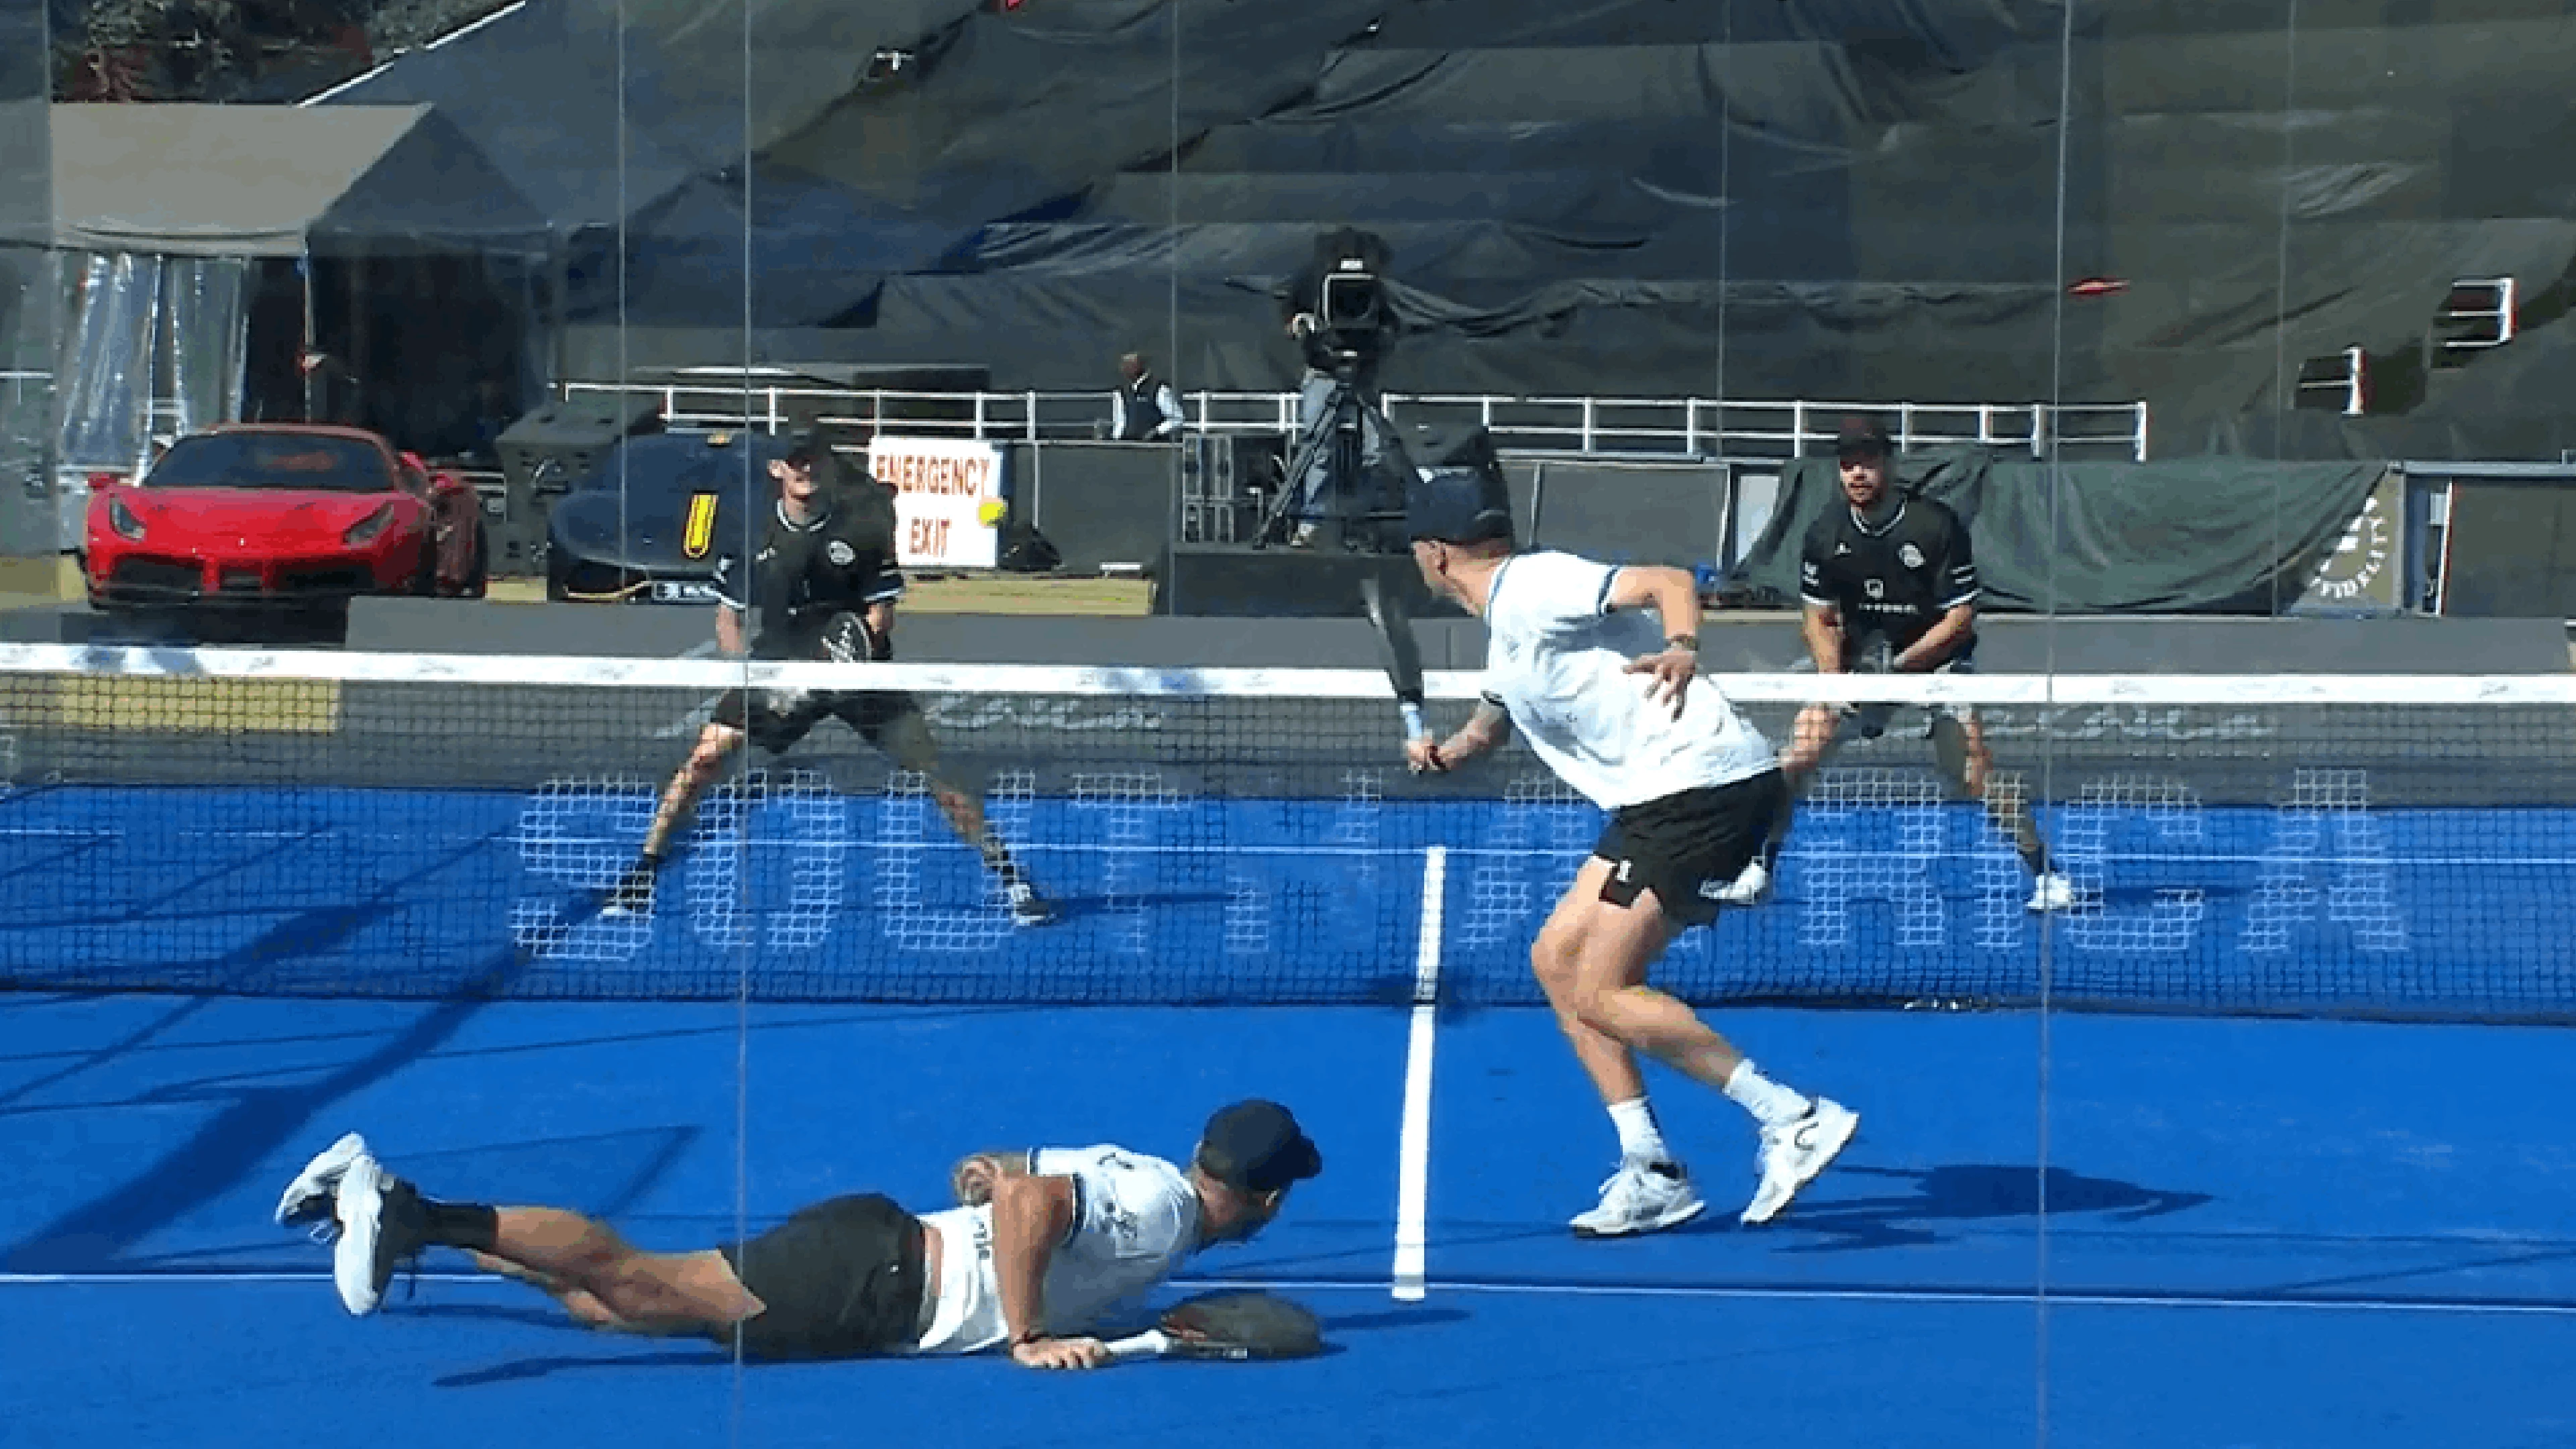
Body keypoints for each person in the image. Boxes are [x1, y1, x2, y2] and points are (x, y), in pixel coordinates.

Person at [1397, 470, 1858, 1237]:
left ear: (1435, 554)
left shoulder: (1535, 585)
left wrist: (1682, 647)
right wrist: (1448, 752)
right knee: (1557, 961)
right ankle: (1652, 1170)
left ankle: (1791, 1117)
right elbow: (1493, 720)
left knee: (1605, 988)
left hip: (1701, 788)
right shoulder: (1507, 628)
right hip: (1655, 802)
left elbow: (1668, 580)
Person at [272, 1099, 1322, 1368]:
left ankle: (380, 1208)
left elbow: (1018, 1175)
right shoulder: (1163, 1213)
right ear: (1267, 1201)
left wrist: (990, 1171)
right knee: (635, 1280)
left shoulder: (1148, 1180)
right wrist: (1028, 1335)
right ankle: (403, 1209)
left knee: (603, 1310)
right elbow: (1030, 1204)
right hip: (875, 1278)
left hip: (875, 1260)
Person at [604, 427, 1053, 927]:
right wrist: (750, 675)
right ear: (777, 469)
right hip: (778, 667)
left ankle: (1010, 877)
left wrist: (842, 666)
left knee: (937, 772)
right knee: (703, 761)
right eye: (795, 460)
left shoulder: (860, 529)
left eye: (814, 458)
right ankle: (643, 872)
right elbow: (729, 619)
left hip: (857, 669)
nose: (806, 468)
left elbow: (880, 615)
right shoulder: (751, 535)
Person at [1715, 415, 2076, 913]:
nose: (1857, 474)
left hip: (1937, 663)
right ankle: (1758, 869)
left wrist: (1900, 673)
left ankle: (2046, 873)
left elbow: (1959, 620)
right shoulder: (1825, 533)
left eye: (1867, 463)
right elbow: (1819, 618)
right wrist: (1835, 680)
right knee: (1797, 757)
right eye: (1848, 465)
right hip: (1860, 662)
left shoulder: (1934, 526)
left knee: (1972, 770)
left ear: (1889, 464)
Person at [1109, 352, 1184, 441]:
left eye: (1130, 364)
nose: (1124, 369)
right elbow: (1119, 423)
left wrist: (1157, 431)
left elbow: (1177, 418)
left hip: (1155, 445)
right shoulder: (1121, 392)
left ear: (1140, 365)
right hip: (1128, 445)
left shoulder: (1158, 388)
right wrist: (1115, 441)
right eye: (1124, 365)